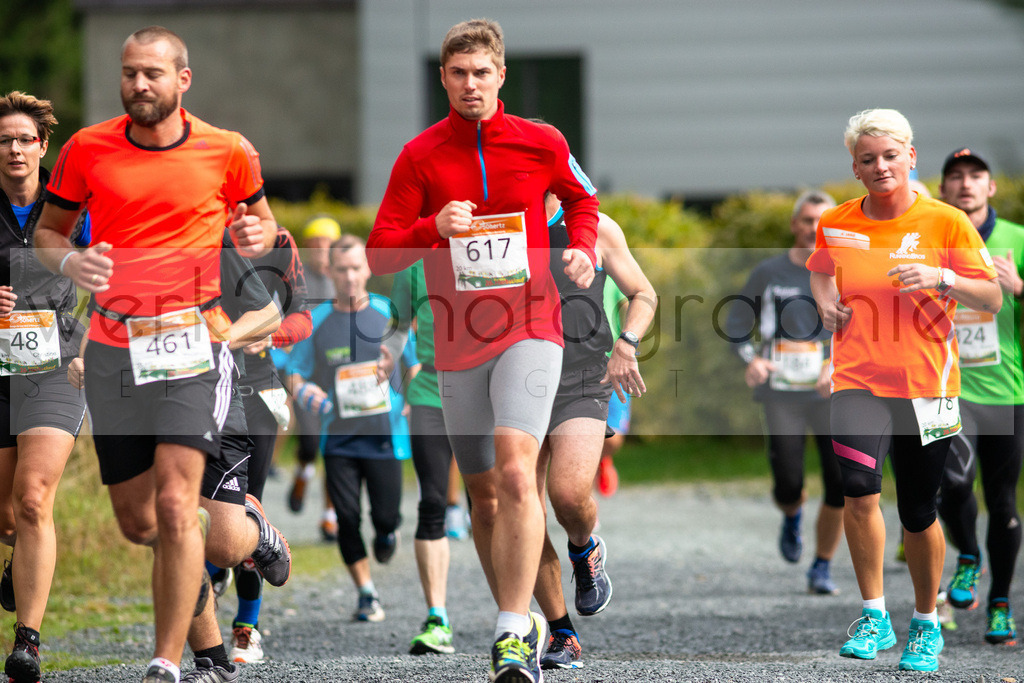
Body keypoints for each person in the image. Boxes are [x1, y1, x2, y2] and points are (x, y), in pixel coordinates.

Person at [33, 26, 277, 683]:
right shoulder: (87, 148)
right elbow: (51, 232)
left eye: (153, 74)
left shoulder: (228, 151)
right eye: (130, 73)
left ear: (183, 80)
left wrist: (255, 234)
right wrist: (74, 258)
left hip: (192, 341)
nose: (140, 84)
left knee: (176, 507)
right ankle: (252, 537)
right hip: (114, 347)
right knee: (143, 521)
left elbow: (261, 227)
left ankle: (167, 660)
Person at [366, 18, 599, 682]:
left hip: (532, 325)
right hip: (458, 341)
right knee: (485, 495)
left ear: (500, 75)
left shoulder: (541, 141)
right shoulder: (420, 155)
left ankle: (511, 631)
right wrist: (430, 227)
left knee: (517, 469)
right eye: (458, 74)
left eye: (482, 73)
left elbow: (583, 201)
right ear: (443, 78)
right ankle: (522, 617)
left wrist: (580, 247)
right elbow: (381, 248)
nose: (471, 85)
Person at [808, 109, 1001, 672]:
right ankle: (873, 615)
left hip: (927, 385)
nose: (880, 166)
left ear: (910, 157)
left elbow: (989, 297)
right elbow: (822, 267)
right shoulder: (838, 221)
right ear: (855, 167)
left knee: (919, 511)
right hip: (856, 380)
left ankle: (924, 623)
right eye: (868, 159)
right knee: (858, 490)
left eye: (890, 155)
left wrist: (943, 278)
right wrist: (822, 298)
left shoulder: (946, 222)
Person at [67, 232, 292, 683]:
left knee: (224, 546)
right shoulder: (116, 238)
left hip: (206, 390)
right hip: (137, 396)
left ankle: (258, 532)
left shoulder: (205, 230)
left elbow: (268, 312)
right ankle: (213, 661)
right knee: (159, 524)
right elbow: (97, 315)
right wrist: (82, 356)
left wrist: (223, 337)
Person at [534, 194, 656, 670]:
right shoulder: (495, 227)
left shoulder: (594, 226)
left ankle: (585, 548)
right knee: (520, 507)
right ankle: (562, 633)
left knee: (566, 495)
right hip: (511, 377)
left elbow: (643, 293)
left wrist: (627, 343)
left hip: (581, 378)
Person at [0, 91, 89, 683]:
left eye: (23, 139)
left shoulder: (78, 204)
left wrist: (95, 342)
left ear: (42, 145)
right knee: (7, 515)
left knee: (33, 499)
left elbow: (117, 274)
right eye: (4, 140)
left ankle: (27, 642)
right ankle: (18, 563)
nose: (13, 148)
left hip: (57, 366)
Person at [724, 190, 845, 595]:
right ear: (795, 224)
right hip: (781, 393)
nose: (815, 228)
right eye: (808, 220)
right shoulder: (769, 272)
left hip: (832, 390)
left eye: (822, 221)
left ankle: (822, 566)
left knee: (841, 483)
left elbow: (865, 327)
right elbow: (737, 322)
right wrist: (751, 360)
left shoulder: (845, 271)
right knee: (788, 482)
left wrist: (838, 365)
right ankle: (792, 515)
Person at [285, 235, 402, 624]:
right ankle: (366, 591)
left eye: (356, 268)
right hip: (338, 437)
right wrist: (306, 394)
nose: (350, 277)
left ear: (367, 269)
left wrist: (412, 408)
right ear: (329, 271)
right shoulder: (316, 321)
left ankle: (387, 536)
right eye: (342, 270)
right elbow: (295, 373)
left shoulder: (387, 313)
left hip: (385, 434)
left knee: (386, 518)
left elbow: (413, 365)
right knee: (347, 519)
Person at [934, 147, 1024, 645]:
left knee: (1004, 499)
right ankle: (968, 554)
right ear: (944, 189)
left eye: (976, 175)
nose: (965, 183)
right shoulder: (934, 236)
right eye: (955, 176)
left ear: (991, 187)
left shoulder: (1016, 239)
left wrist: (1020, 287)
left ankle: (1001, 604)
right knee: (954, 482)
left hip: (1007, 390)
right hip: (949, 385)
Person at [227, 222, 313, 664]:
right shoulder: (196, 228)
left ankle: (247, 628)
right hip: (200, 386)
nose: (241, 210)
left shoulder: (279, 242)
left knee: (248, 507)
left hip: (262, 386)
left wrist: (271, 334)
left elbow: (303, 318)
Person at [389, 260, 459, 654]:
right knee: (431, 502)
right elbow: (398, 326)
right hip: (430, 389)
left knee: (498, 502)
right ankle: (438, 617)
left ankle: (517, 619)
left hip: (485, 389)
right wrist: (388, 355)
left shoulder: (495, 236)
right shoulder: (415, 262)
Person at [288, 216, 341, 541]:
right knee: (309, 442)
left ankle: (329, 516)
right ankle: (302, 473)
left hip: (338, 371)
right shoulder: (295, 281)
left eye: (327, 243)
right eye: (316, 243)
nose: (322, 250)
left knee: (335, 445)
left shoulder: (344, 279)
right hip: (304, 369)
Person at [596, 278, 629, 498]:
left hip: (613, 359)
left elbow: (631, 305)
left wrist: (628, 344)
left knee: (615, 436)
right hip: (578, 360)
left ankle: (602, 459)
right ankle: (586, 501)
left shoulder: (611, 264)